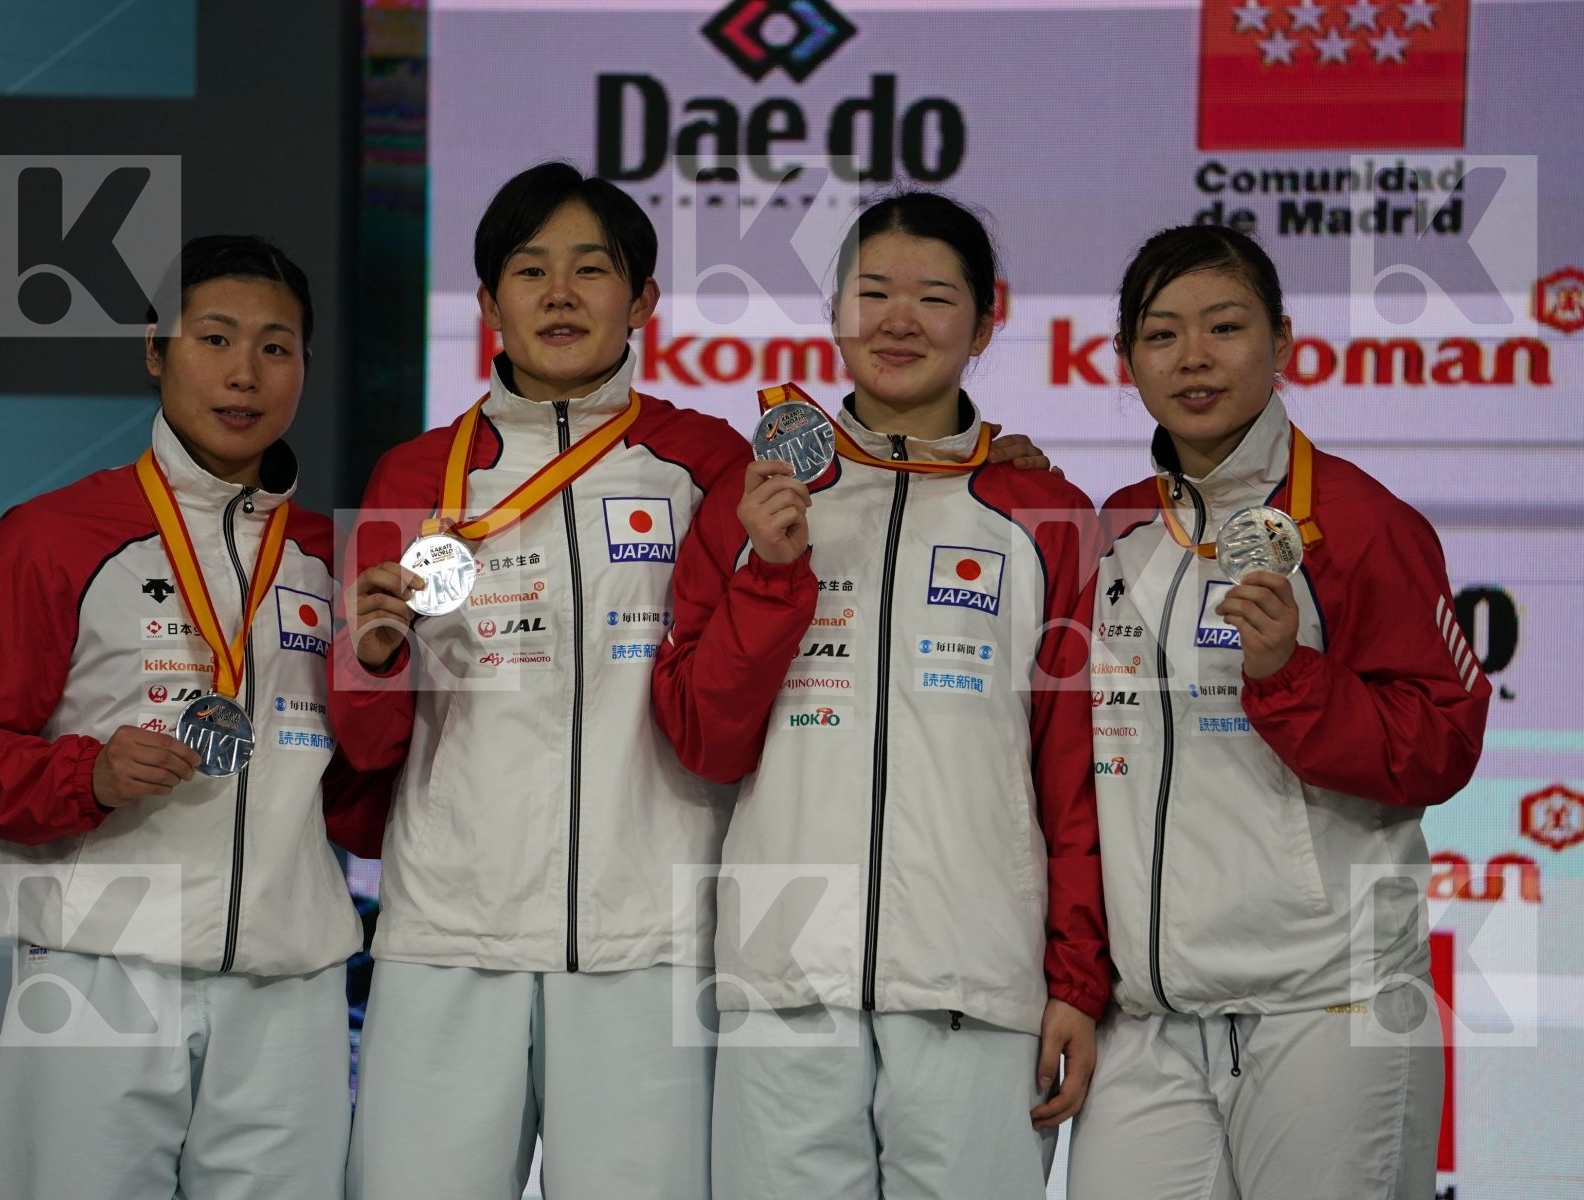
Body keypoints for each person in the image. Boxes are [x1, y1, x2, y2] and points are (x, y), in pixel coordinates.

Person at [334, 163, 1055, 1200]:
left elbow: (837, 528)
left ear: (643, 302)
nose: (560, 293)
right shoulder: (417, 475)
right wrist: (372, 662)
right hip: (448, 930)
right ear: (488, 304)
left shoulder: (710, 464)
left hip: (655, 944)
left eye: (592, 269)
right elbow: (365, 747)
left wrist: (993, 461)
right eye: (529, 271)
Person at [0, 234, 386, 1199]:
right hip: (98, 970)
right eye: (214, 339)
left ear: (306, 369)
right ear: (155, 351)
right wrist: (87, 776)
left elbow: (366, 783)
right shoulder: (53, 536)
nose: (244, 374)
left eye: (276, 348)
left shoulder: (339, 559)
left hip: (290, 985)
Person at [650, 190, 1110, 1200]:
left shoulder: (1047, 515)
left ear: (988, 318)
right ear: (835, 312)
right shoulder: (752, 496)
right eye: (872, 292)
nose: (899, 321)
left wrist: (1077, 978)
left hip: (974, 981)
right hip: (783, 977)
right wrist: (771, 572)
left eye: (934, 296)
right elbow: (701, 739)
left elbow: (1077, 775)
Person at [1064, 224, 1492, 1199]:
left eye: (1225, 326)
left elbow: (1442, 744)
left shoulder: (1359, 521)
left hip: (1327, 1005)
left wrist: (1289, 675)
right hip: (1151, 1019)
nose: (1195, 357)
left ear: (1283, 342)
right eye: (1163, 334)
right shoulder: (1115, 529)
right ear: (1125, 359)